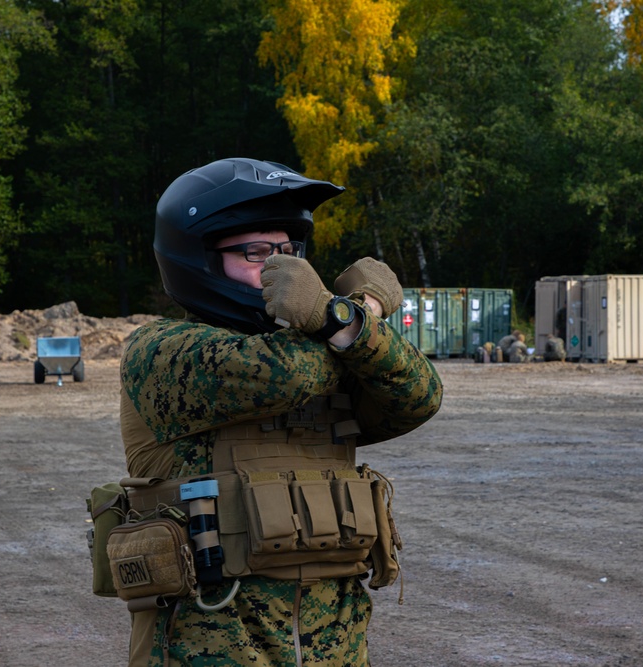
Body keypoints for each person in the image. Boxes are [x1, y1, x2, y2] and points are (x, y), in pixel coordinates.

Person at [118, 157, 443, 666]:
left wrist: (345, 324)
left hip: (335, 644)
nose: (280, 267)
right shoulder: (159, 351)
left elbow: (419, 396)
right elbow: (288, 374)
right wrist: (356, 314)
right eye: (255, 252)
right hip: (208, 647)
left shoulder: (326, 344)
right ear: (197, 257)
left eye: (290, 251)